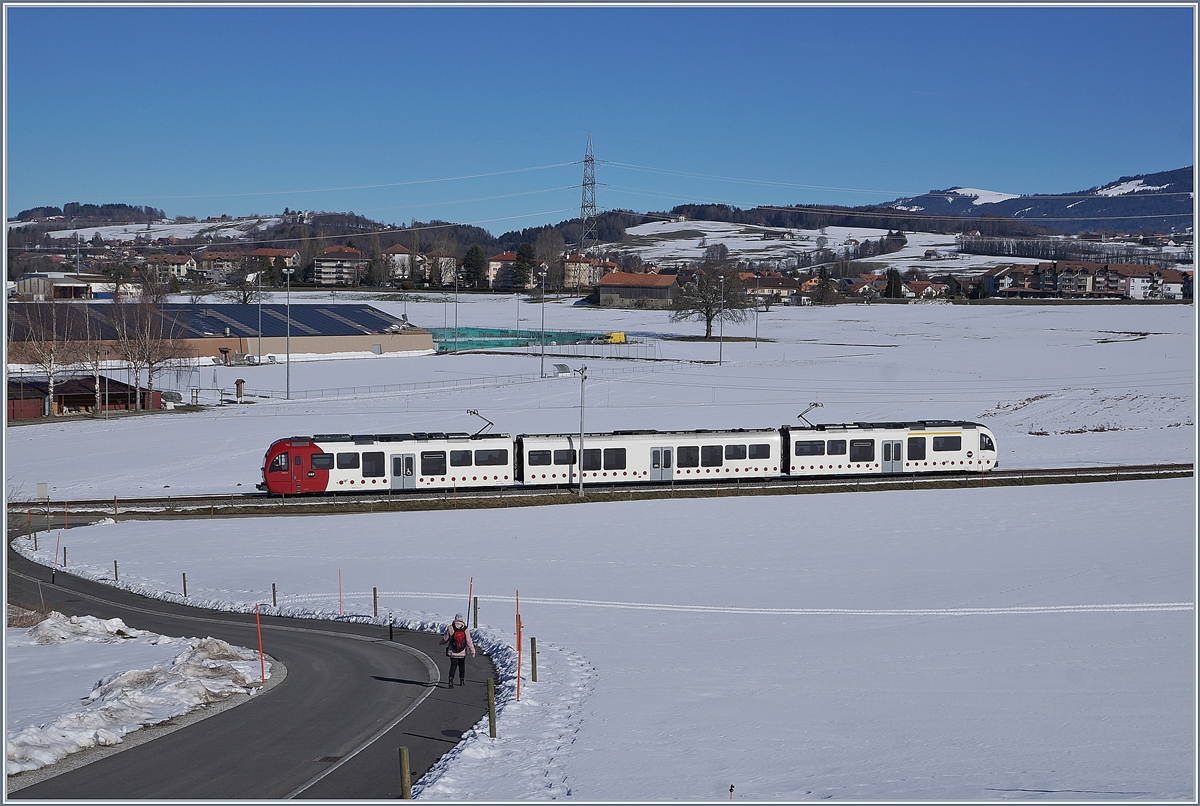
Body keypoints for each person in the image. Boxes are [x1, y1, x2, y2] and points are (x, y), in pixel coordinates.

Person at [439, 614, 475, 688]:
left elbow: (446, 638)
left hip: (453, 651)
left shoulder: (450, 627)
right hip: (463, 652)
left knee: (453, 665)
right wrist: (472, 651)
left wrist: (441, 643)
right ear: (462, 620)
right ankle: (462, 680)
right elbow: (469, 641)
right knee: (462, 665)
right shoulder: (465, 629)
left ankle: (450, 681)